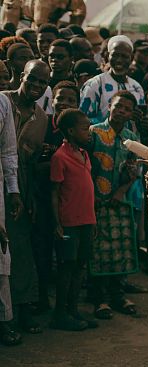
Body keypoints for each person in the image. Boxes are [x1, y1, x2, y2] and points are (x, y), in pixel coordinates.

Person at [3, 60, 50, 336]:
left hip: (17, 190)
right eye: (31, 79)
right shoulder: (2, 102)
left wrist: (26, 196)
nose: (35, 86)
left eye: (41, 83)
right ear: (20, 76)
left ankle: (19, 312)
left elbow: (29, 164)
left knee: (18, 251)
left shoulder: (42, 118)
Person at [87, 91, 141, 320]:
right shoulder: (94, 132)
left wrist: (121, 191)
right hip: (94, 200)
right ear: (109, 105)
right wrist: (92, 194)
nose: (121, 111)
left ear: (131, 114)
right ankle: (99, 298)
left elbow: (133, 170)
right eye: (118, 106)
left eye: (127, 109)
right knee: (97, 248)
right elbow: (85, 165)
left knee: (119, 247)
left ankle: (118, 295)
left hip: (119, 200)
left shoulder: (131, 137)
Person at [34, 80, 80, 313]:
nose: (64, 103)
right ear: (52, 100)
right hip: (43, 200)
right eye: (60, 98)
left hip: (70, 205)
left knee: (67, 258)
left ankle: (66, 305)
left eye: (71, 100)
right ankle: (42, 297)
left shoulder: (80, 133)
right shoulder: (42, 126)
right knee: (42, 252)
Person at [49, 108, 95, 331]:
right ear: (70, 130)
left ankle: (72, 309)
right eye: (84, 129)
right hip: (69, 222)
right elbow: (55, 193)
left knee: (80, 266)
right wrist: (57, 223)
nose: (89, 132)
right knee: (67, 267)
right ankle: (60, 313)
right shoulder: (60, 157)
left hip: (87, 220)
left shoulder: (85, 154)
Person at [79, 36, 146, 125]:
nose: (119, 60)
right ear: (108, 56)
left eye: (124, 56)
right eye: (115, 55)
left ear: (132, 58)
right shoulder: (95, 85)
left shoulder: (137, 87)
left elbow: (139, 122)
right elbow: (82, 120)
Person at [0, 90, 21, 346]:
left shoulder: (3, 102)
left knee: (1, 253)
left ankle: (5, 321)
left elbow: (8, 150)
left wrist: (13, 191)